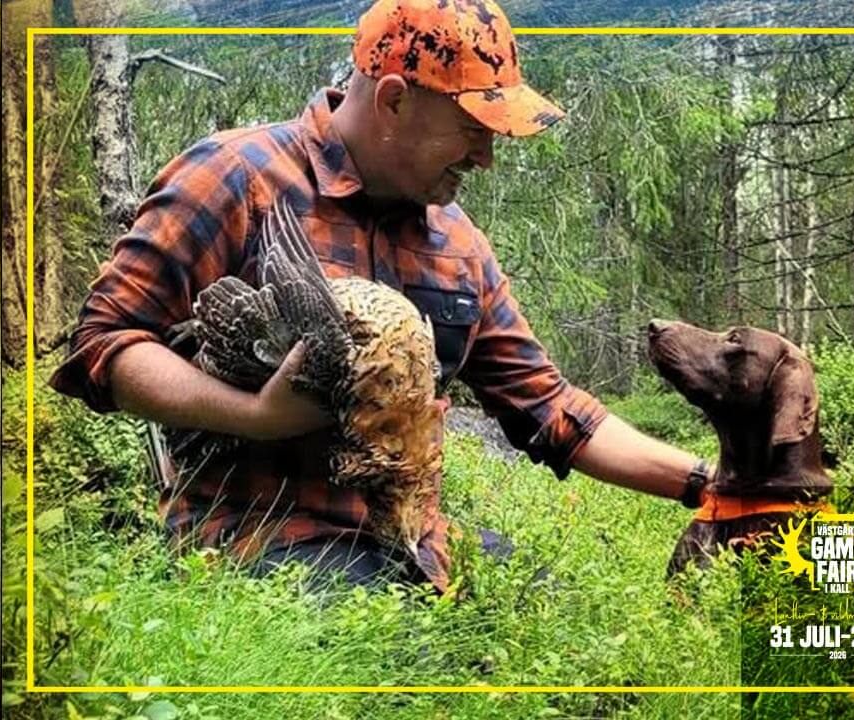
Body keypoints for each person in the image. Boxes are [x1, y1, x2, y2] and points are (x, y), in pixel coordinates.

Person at [50, 0, 710, 591]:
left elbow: (551, 408)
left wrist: (708, 485)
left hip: (415, 549)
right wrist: (255, 414)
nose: (486, 158)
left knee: (558, 619)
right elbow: (106, 346)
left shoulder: (457, 243)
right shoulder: (236, 177)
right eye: (473, 129)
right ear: (394, 100)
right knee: (417, 657)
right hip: (258, 543)